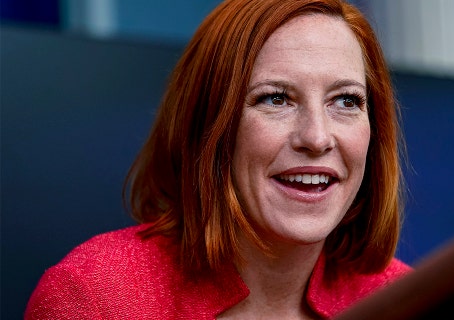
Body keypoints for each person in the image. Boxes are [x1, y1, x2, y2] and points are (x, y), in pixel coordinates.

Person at [25, 0, 411, 318]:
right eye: (276, 98)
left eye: (346, 101)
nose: (316, 137)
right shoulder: (94, 296)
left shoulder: (412, 298)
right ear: (207, 125)